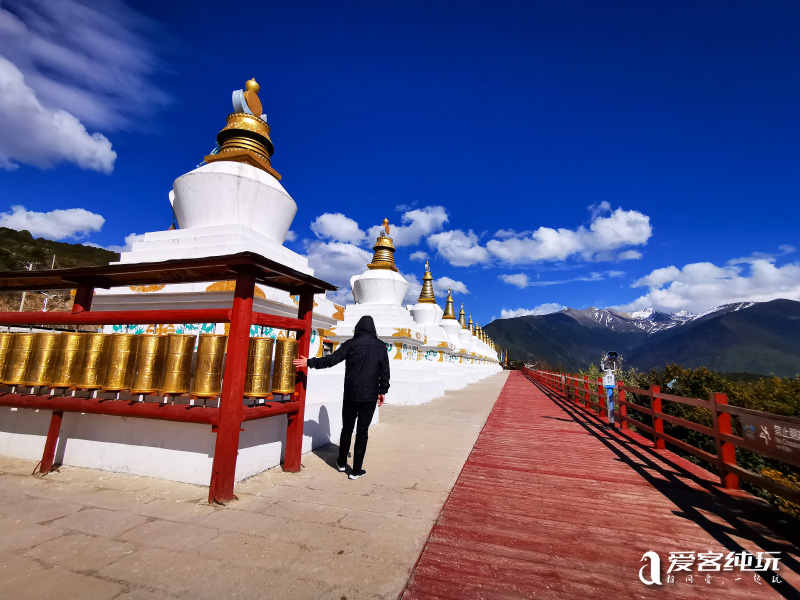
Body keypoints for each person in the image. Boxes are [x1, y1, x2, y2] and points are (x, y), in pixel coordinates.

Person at [293, 315, 390, 480]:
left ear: (358, 328)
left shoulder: (351, 344)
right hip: (369, 397)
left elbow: (331, 360)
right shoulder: (380, 347)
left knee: (347, 429)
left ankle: (341, 462)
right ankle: (356, 470)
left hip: (351, 395)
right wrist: (382, 391)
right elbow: (384, 373)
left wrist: (309, 362)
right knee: (362, 432)